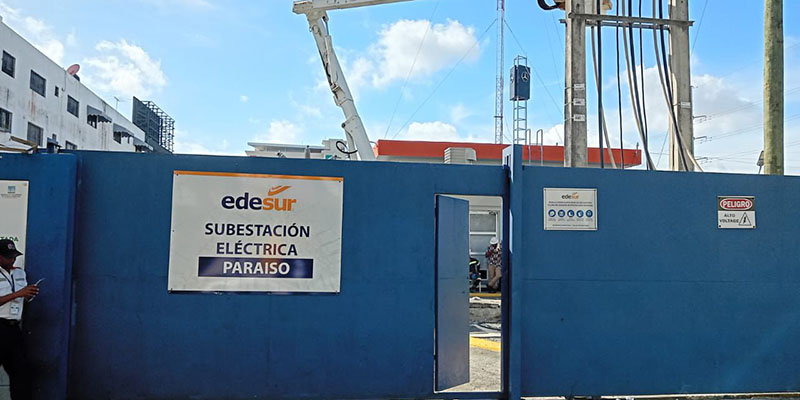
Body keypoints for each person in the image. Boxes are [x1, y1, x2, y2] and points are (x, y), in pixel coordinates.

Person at [0, 239, 38, 400]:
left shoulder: (19, 273)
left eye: (14, 256)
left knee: (21, 372)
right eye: (8, 257)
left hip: (14, 328)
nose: (12, 260)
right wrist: (18, 294)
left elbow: (22, 297)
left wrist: (28, 294)